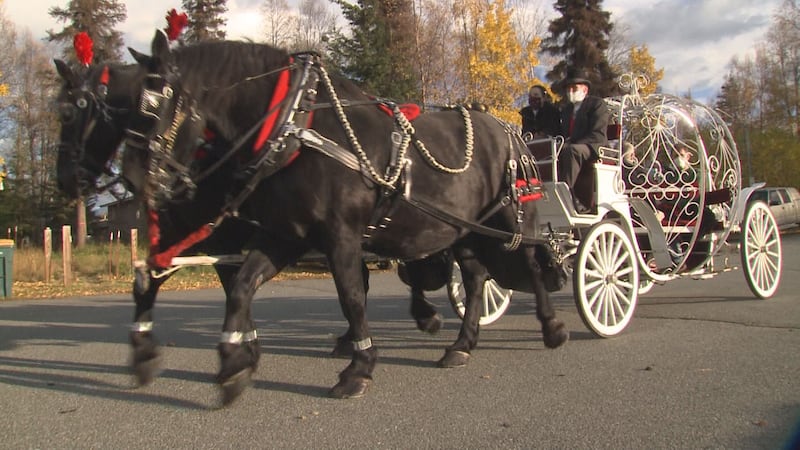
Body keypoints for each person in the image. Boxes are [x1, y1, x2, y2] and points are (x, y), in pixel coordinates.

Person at [556, 68, 610, 214]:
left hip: (594, 146)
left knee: (571, 150)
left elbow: (597, 133)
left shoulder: (596, 105)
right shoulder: (567, 110)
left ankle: (565, 193)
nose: (570, 92)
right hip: (573, 148)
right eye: (568, 89)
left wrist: (572, 143)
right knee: (552, 152)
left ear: (585, 90)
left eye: (574, 88)